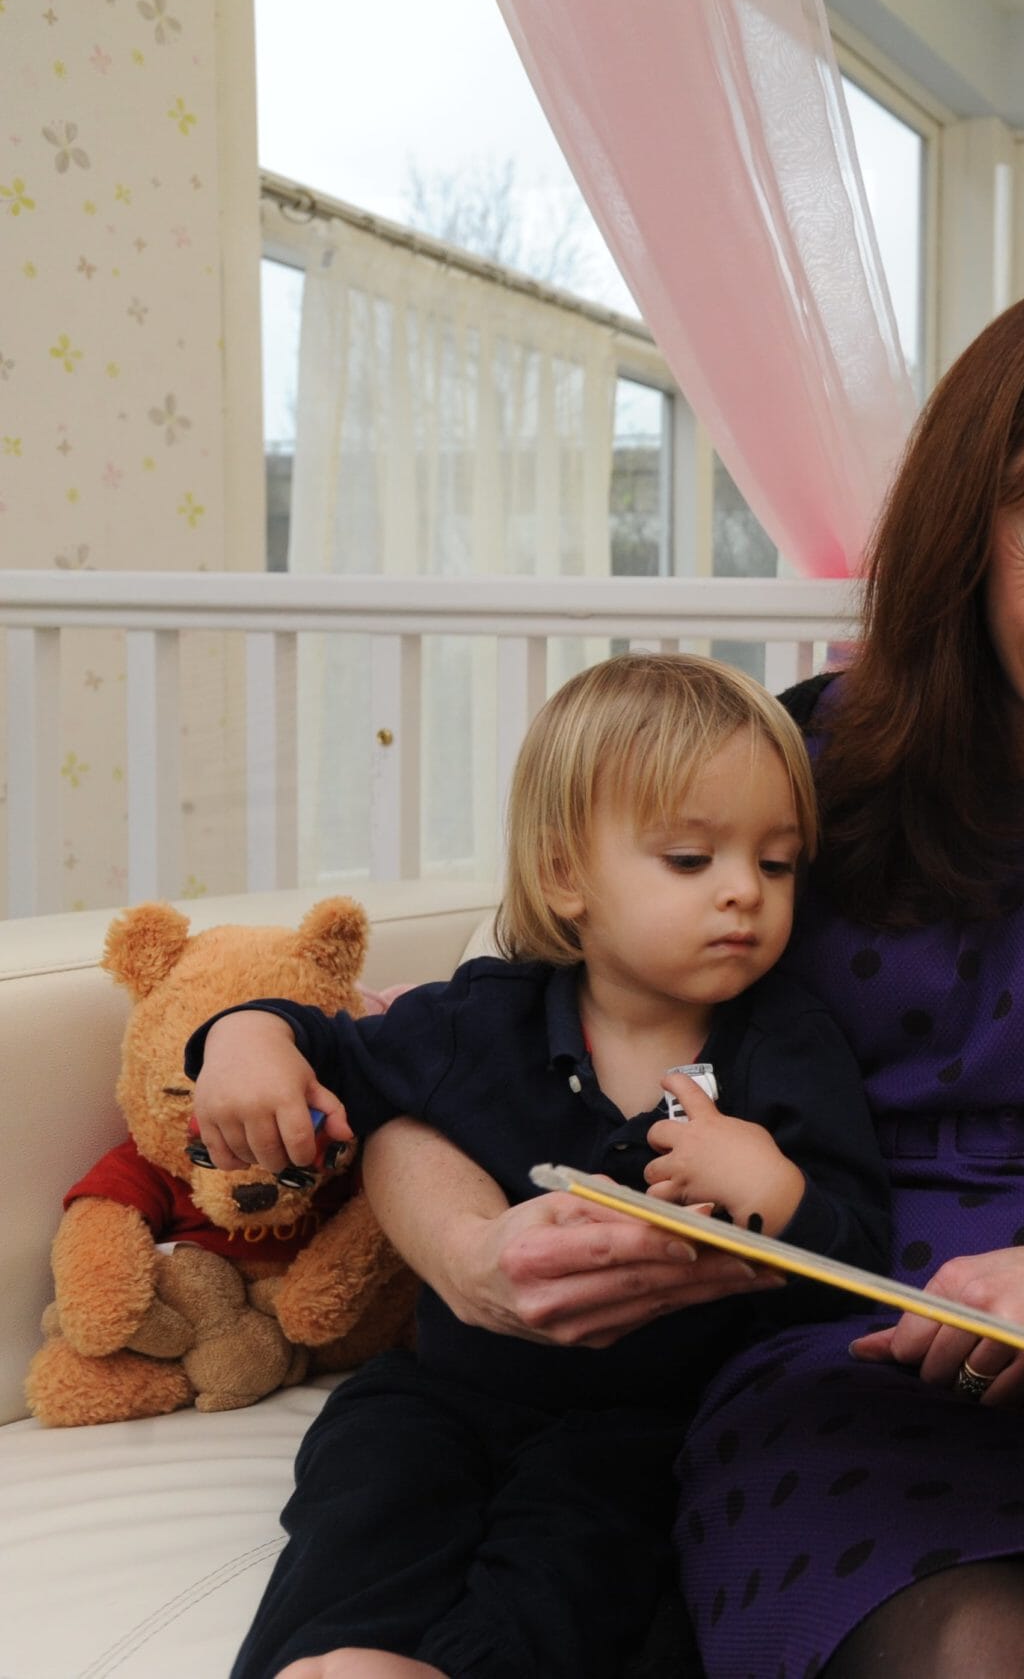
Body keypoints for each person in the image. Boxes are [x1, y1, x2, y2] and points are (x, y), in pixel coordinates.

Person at [353, 280, 1024, 1679]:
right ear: (970, 535)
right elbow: (469, 1063)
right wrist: (474, 1263)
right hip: (854, 1344)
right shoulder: (800, 762)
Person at [187, 652, 892, 1679]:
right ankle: (328, 1659)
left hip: (644, 1423)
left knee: (582, 1558)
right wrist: (244, 1035)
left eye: (777, 863)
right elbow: (330, 1044)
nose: (745, 890)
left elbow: (860, 1249)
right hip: (444, 1389)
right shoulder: (484, 1015)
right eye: (692, 859)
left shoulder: (787, 1046)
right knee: (364, 1492)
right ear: (567, 875)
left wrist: (775, 1188)